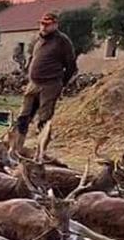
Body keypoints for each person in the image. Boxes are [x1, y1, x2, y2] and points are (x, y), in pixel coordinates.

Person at [15, 12, 77, 153]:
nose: (43, 27)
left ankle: (41, 152)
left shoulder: (62, 41)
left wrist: (61, 83)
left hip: (50, 85)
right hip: (33, 84)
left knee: (44, 121)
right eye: (42, 24)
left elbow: (71, 66)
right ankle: (17, 149)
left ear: (55, 25)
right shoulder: (38, 39)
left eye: (47, 25)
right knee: (23, 117)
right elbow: (33, 57)